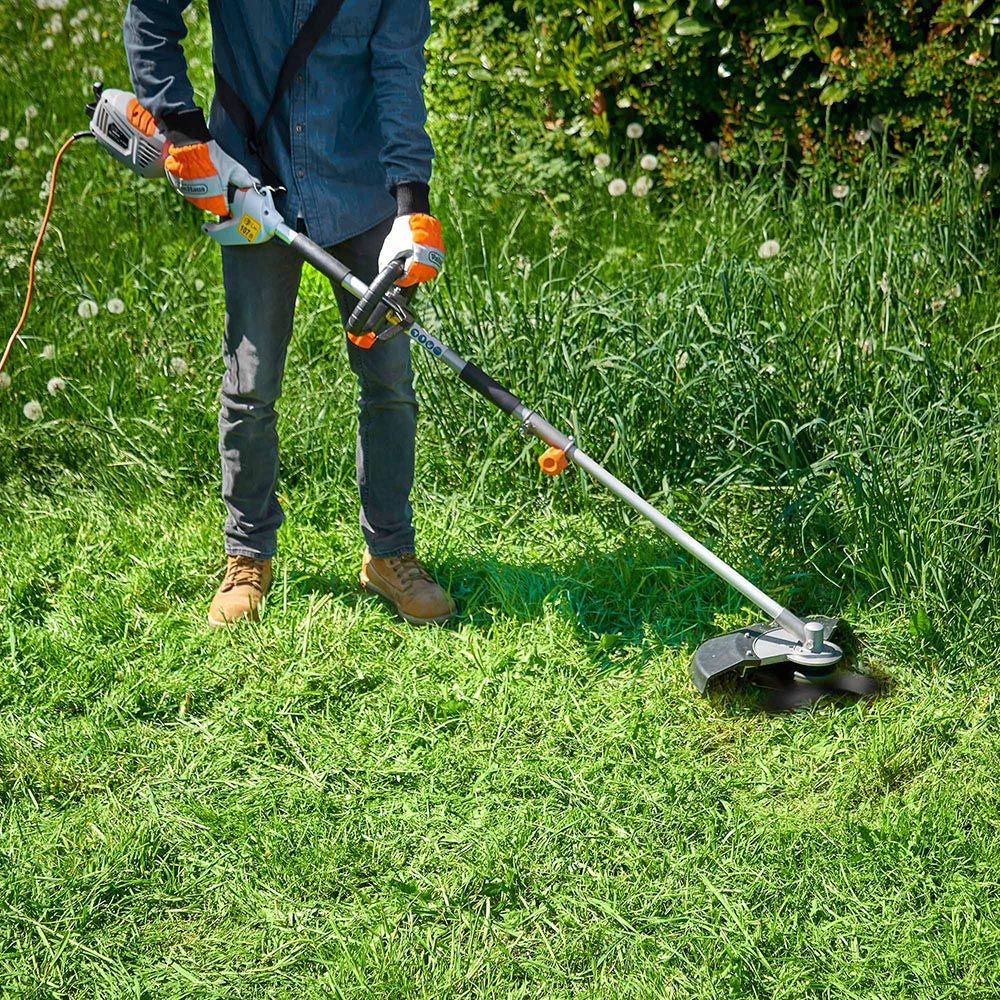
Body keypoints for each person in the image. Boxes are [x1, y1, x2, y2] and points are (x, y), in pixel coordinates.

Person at [122, 0, 455, 627]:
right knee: (250, 386)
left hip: (362, 192)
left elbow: (398, 75)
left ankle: (391, 553)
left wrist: (413, 204)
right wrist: (187, 134)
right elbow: (150, 14)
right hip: (249, 182)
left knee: (388, 381)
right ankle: (247, 555)